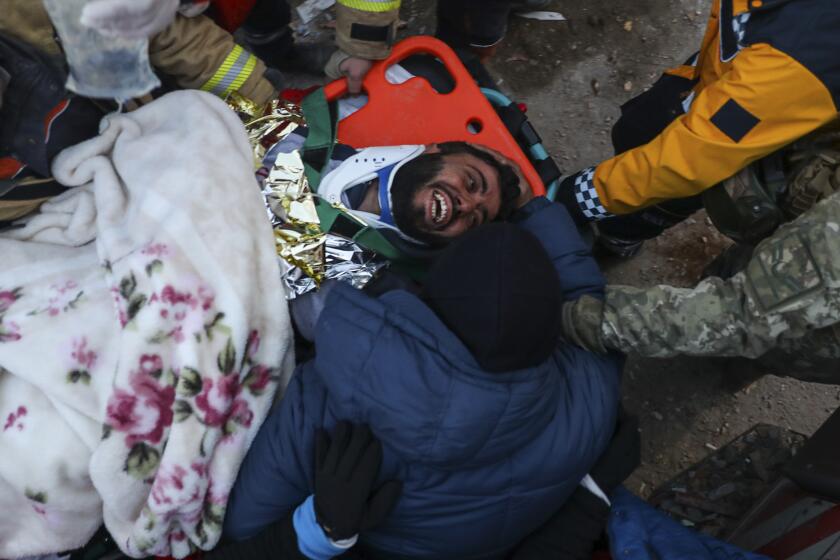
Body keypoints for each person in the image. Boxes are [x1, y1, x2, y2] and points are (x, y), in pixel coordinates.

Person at [223, 209, 623, 557]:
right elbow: (588, 301)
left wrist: (319, 530)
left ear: (427, 290)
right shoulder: (591, 389)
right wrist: (540, 214)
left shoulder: (326, 407)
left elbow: (242, 527)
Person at [555, 0, 840, 257]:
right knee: (636, 131)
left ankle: (618, 240)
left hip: (728, 146)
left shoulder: (802, 60)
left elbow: (692, 158)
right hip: (707, 86)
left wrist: (577, 198)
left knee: (655, 202)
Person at [559, 165, 840, 384]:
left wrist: (582, 318)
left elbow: (734, 317)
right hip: (800, 272)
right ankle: (740, 368)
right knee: (753, 300)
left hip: (812, 337)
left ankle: (741, 366)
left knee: (773, 343)